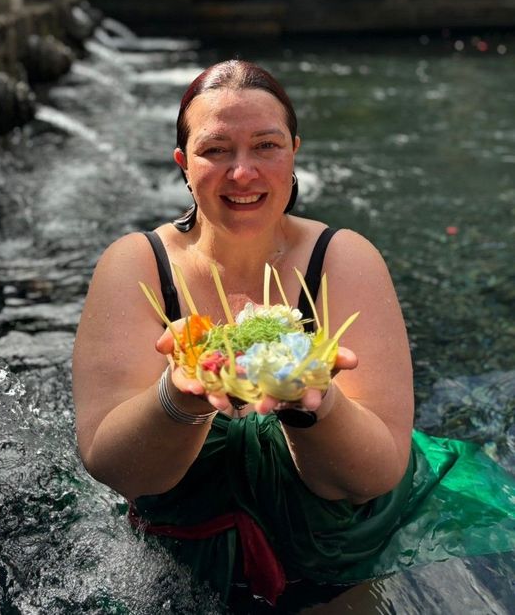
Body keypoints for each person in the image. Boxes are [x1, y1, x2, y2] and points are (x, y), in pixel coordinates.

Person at [72, 60, 515, 610]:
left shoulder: (342, 258)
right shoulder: (136, 266)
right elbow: (112, 466)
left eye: (266, 146)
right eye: (216, 150)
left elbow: (376, 472)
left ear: (294, 153)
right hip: (181, 566)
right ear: (183, 165)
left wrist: (315, 403)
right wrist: (178, 395)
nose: (243, 173)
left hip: (332, 564)